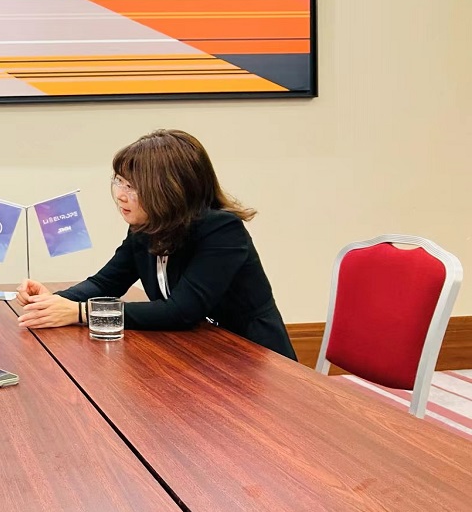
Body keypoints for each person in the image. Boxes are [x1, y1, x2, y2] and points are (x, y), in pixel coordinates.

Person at [15, 129, 297, 360]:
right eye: (119, 182)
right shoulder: (146, 227)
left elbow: (181, 311)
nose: (120, 195)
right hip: (200, 352)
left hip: (251, 357)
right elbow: (106, 283)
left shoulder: (221, 229)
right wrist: (55, 301)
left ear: (170, 190)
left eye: (132, 187)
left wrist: (81, 313)